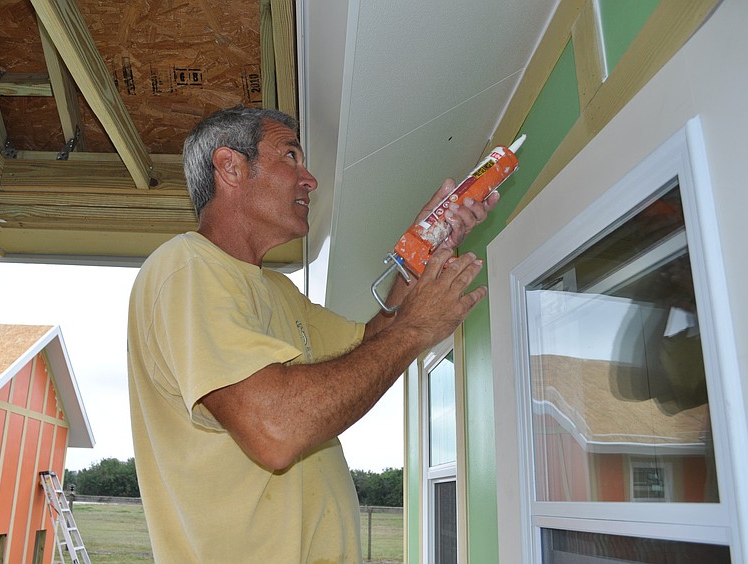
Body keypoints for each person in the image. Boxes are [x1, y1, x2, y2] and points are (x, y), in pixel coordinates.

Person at [127, 106, 498, 563]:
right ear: (230, 167)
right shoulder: (187, 268)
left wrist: (425, 245)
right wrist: (418, 329)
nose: (309, 180)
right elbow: (276, 431)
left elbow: (373, 341)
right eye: (290, 156)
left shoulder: (275, 290)